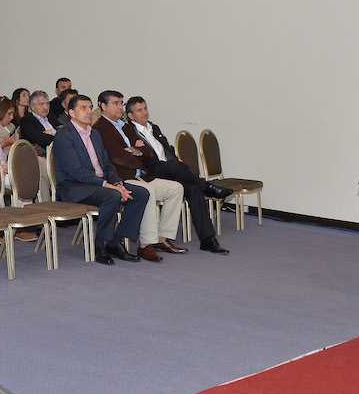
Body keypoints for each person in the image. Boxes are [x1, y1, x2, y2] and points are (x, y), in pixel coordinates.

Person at [125, 96, 231, 255]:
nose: (145, 112)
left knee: (193, 189)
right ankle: (207, 186)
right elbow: (134, 153)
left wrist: (175, 159)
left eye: (145, 108)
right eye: (139, 110)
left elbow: (167, 148)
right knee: (175, 165)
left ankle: (208, 240)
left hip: (169, 168)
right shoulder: (129, 131)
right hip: (151, 171)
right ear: (130, 115)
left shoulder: (154, 128)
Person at [52, 94, 148, 265]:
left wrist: (117, 183)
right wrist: (107, 185)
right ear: (72, 113)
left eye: (90, 107)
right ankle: (99, 246)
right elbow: (76, 172)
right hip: (74, 187)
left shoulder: (95, 134)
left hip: (99, 184)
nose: (89, 111)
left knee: (141, 193)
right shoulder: (64, 135)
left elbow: (107, 164)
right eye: (83, 108)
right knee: (112, 195)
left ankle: (115, 242)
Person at [94, 91, 186, 262]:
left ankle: (162, 238)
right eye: (115, 103)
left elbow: (148, 152)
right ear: (103, 106)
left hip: (141, 174)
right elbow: (116, 157)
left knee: (176, 189)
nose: (120, 107)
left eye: (121, 103)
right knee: (148, 191)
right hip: (122, 177)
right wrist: (136, 152)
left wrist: (134, 151)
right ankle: (146, 244)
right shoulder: (100, 129)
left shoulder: (125, 126)